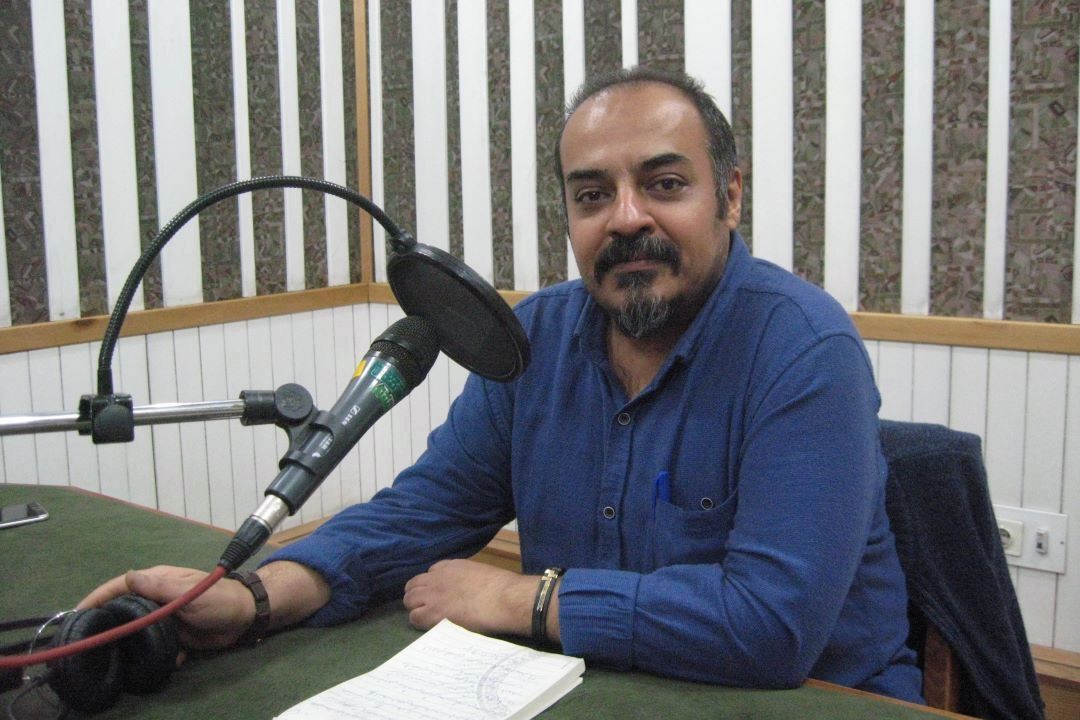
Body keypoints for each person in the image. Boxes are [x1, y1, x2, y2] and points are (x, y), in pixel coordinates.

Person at [82, 66, 923, 701]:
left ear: (729, 197)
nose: (626, 217)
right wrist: (257, 597)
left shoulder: (804, 350)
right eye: (592, 195)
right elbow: (428, 511)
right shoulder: (534, 340)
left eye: (664, 185)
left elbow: (770, 625)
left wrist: (527, 600)